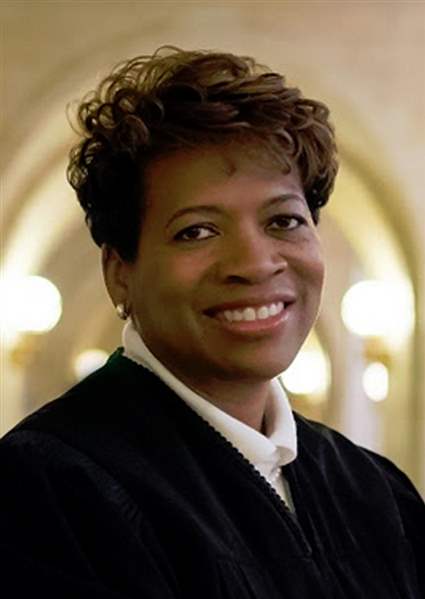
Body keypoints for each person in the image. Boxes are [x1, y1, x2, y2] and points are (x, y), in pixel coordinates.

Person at [1, 46, 423, 598]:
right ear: (119, 272)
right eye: (196, 231)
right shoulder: (49, 489)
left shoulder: (376, 492)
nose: (253, 263)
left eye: (284, 220)